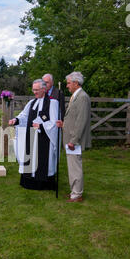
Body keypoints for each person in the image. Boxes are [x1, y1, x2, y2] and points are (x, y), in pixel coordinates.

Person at [9, 79, 59, 190]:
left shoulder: (53, 103)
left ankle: (43, 182)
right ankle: (29, 181)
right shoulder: (32, 102)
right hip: (31, 138)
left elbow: (54, 123)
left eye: (36, 90)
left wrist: (41, 126)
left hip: (44, 139)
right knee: (30, 158)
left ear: (44, 89)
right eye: (33, 89)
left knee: (43, 160)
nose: (34, 92)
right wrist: (16, 120)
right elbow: (24, 116)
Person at [56, 72, 91, 202]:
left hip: (74, 140)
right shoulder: (75, 96)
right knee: (72, 165)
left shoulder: (82, 97)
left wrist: (74, 140)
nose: (67, 85)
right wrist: (64, 124)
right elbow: (74, 118)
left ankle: (77, 194)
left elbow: (81, 121)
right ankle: (74, 192)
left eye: (69, 83)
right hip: (70, 137)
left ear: (76, 83)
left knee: (75, 166)